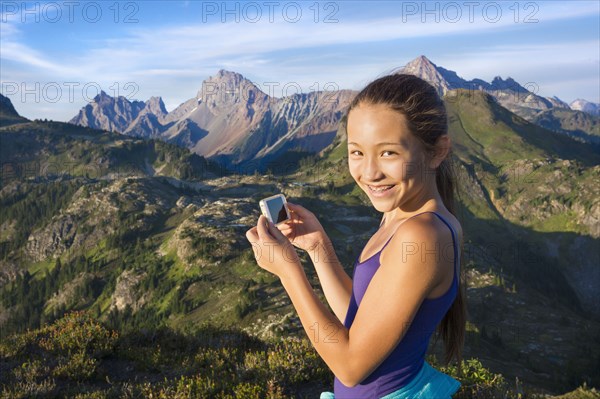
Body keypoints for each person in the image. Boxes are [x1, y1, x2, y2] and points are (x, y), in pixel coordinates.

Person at [245, 73, 466, 399]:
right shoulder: (399, 215)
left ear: (436, 152)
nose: (370, 172)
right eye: (357, 152)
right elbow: (364, 319)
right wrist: (318, 249)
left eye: (388, 153)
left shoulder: (421, 235)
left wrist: (289, 271)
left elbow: (350, 366)